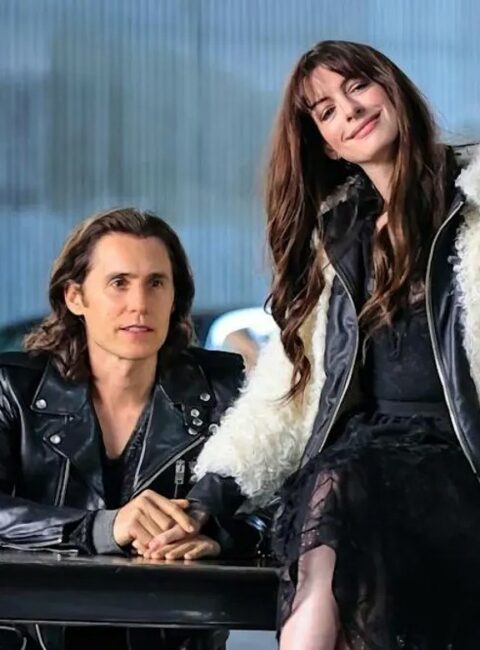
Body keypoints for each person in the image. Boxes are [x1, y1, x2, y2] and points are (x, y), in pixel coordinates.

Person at [146, 41, 480, 649]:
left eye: (357, 87)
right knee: (336, 485)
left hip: (461, 458)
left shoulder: (474, 205)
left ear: (393, 90)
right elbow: (285, 395)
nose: (348, 111)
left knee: (343, 484)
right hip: (359, 465)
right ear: (326, 144)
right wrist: (206, 500)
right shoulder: (336, 239)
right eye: (325, 111)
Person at [0, 208, 268, 650]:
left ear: (175, 297)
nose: (140, 304)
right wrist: (101, 528)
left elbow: (287, 509)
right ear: (75, 297)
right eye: (119, 282)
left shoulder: (222, 388)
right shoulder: (12, 387)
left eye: (156, 283)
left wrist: (220, 535)